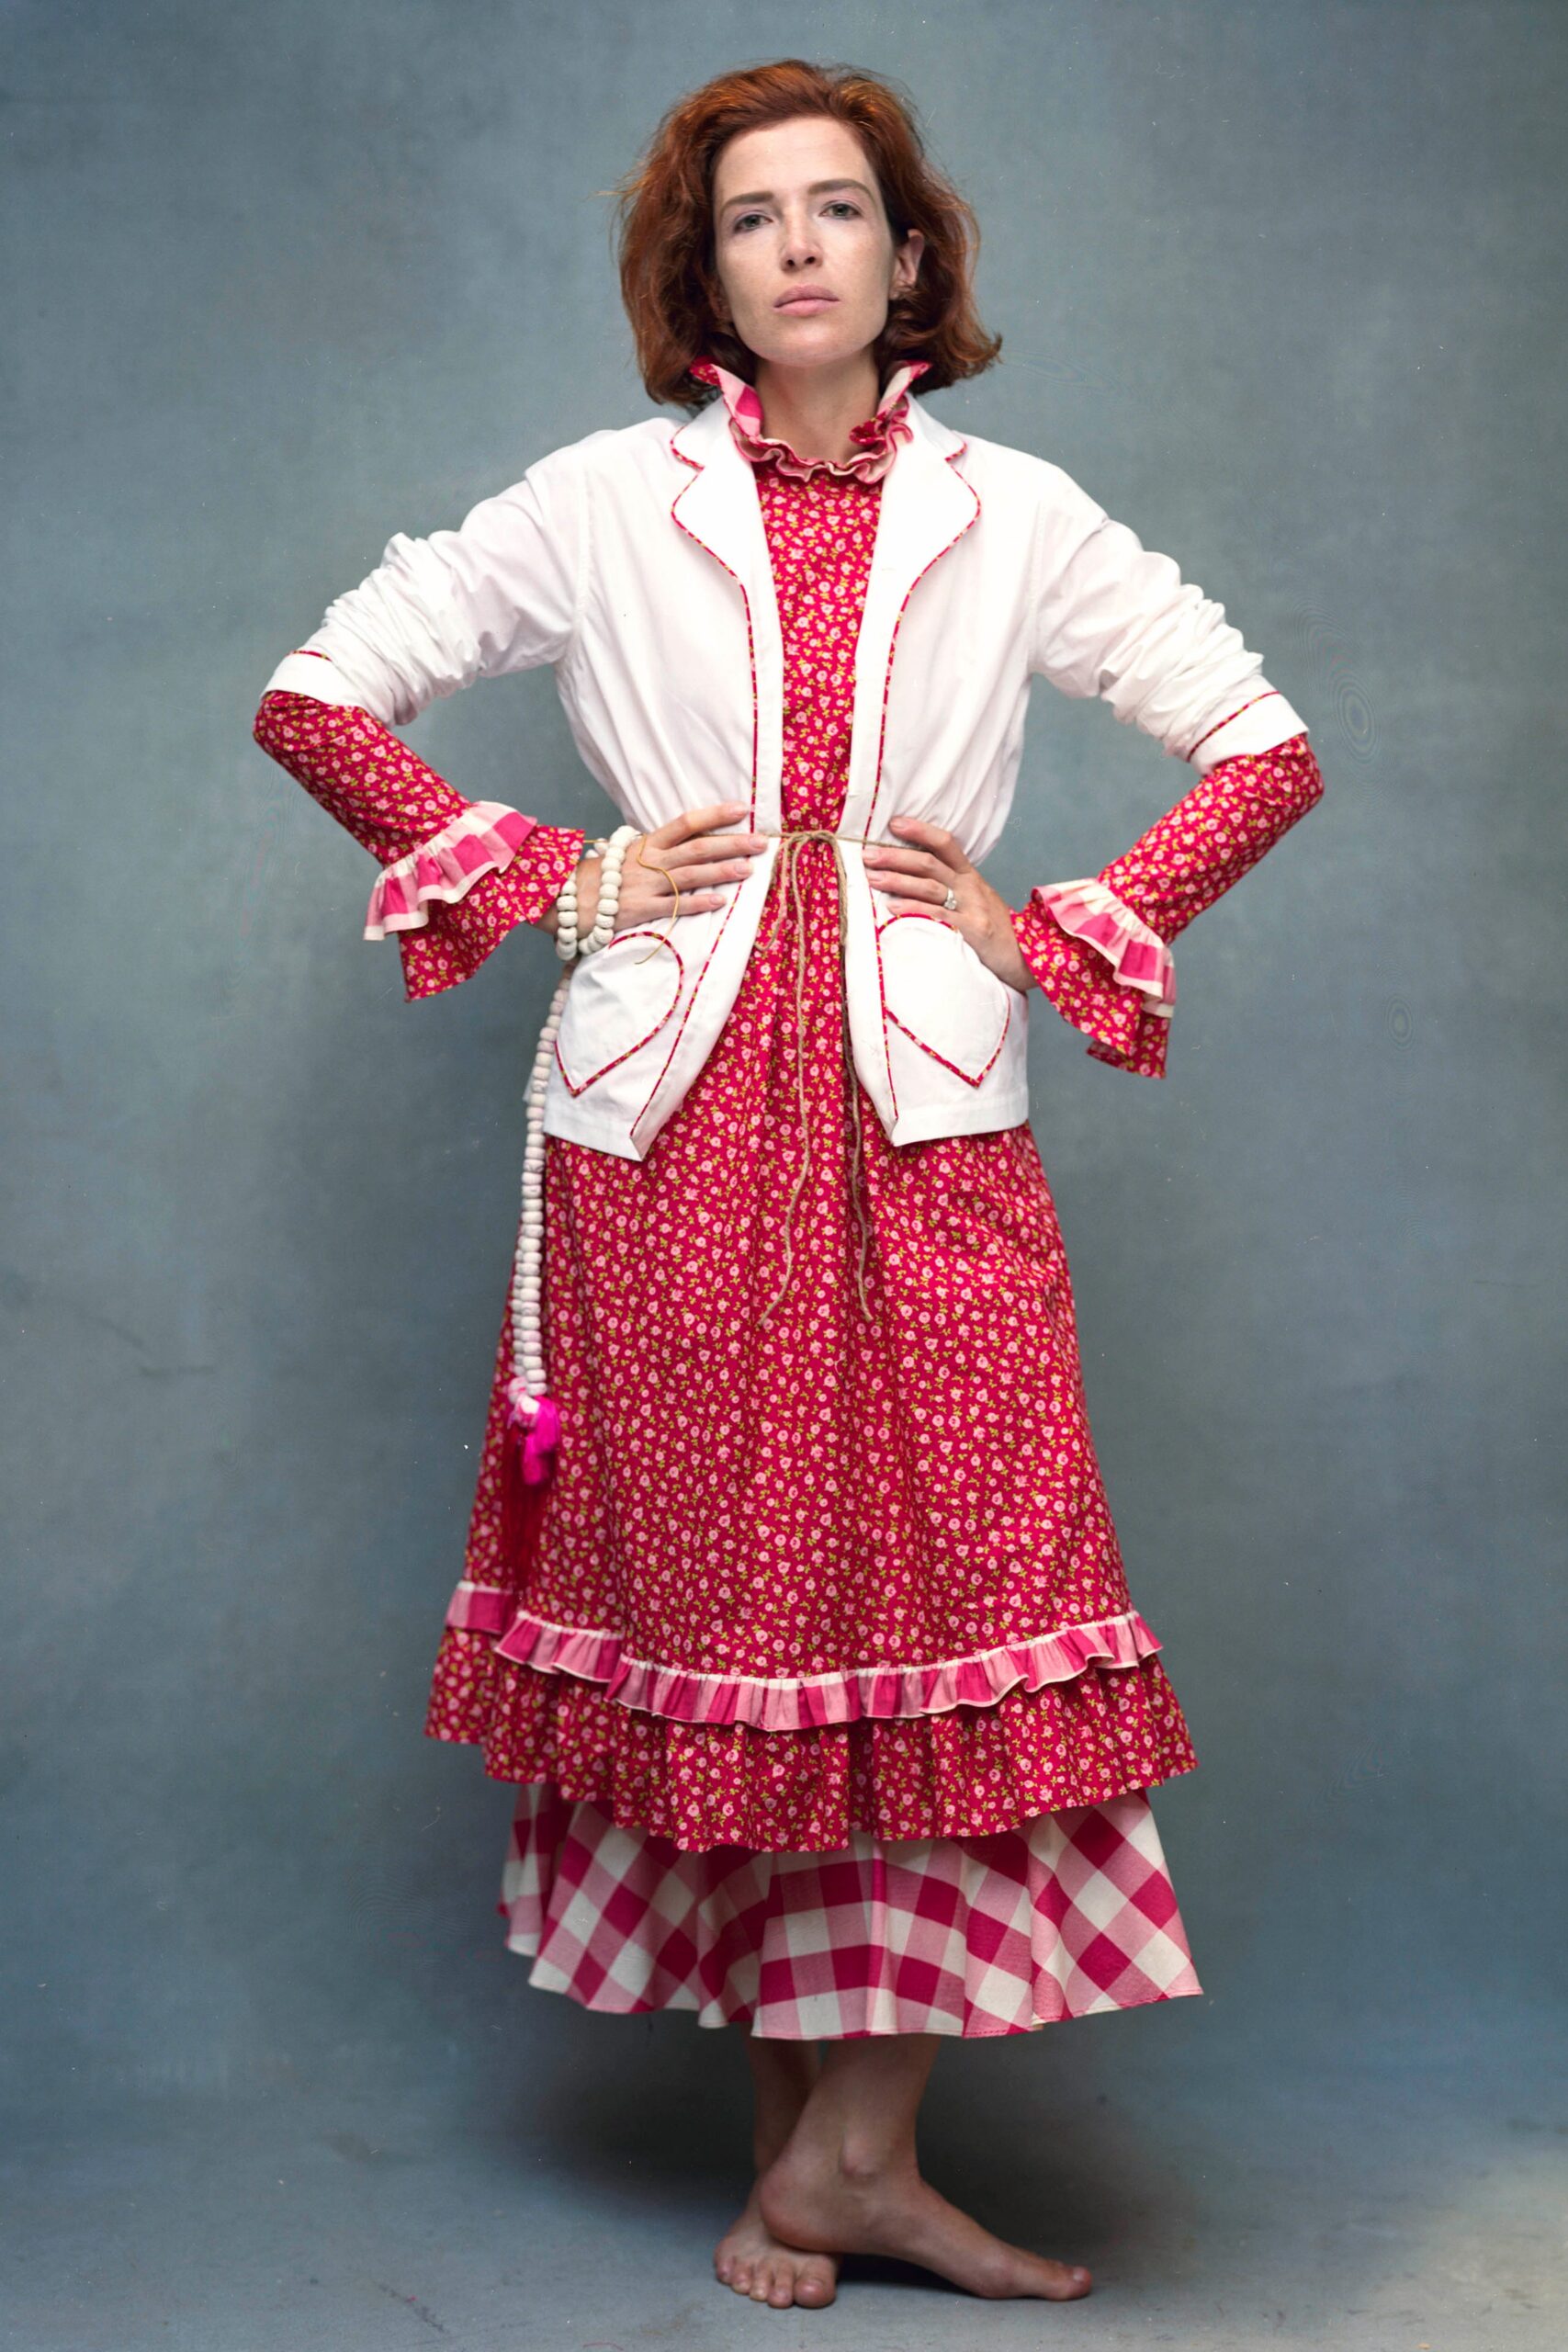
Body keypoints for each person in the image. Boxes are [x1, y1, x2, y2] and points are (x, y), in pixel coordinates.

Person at [252, 57, 1324, 2314]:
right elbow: (320, 693)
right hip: (663, 1131)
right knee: (745, 1619)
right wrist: (557, 874)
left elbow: (1259, 741)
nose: (799, 246)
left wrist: (1054, 923)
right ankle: (821, 2159)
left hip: (916, 1109)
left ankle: (847, 2155)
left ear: (906, 255)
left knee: (943, 1584)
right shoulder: (598, 500)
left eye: (837, 207)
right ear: (707, 278)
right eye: (752, 219)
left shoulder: (1013, 512)